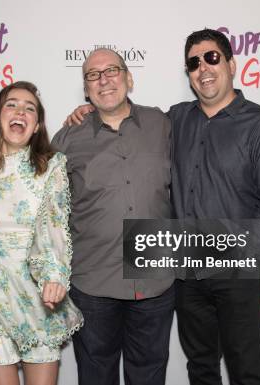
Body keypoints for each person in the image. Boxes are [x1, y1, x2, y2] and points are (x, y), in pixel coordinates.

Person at [65, 30, 260, 385]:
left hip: (236, 274)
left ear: (231, 64)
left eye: (212, 58)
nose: (203, 68)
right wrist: (88, 111)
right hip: (185, 275)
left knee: (246, 369)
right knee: (200, 367)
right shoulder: (175, 119)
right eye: (194, 63)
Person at [52, 48, 176, 385]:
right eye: (93, 75)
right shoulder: (65, 140)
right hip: (93, 286)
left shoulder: (163, 124)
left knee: (149, 376)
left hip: (154, 282)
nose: (104, 79)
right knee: (95, 377)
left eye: (112, 71)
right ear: (86, 89)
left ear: (129, 78)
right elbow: (50, 213)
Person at [0, 81, 83, 385]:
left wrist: (54, 275)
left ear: (36, 126)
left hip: (37, 293)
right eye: (12, 104)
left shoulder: (51, 166)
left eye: (30, 108)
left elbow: (54, 222)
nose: (20, 111)